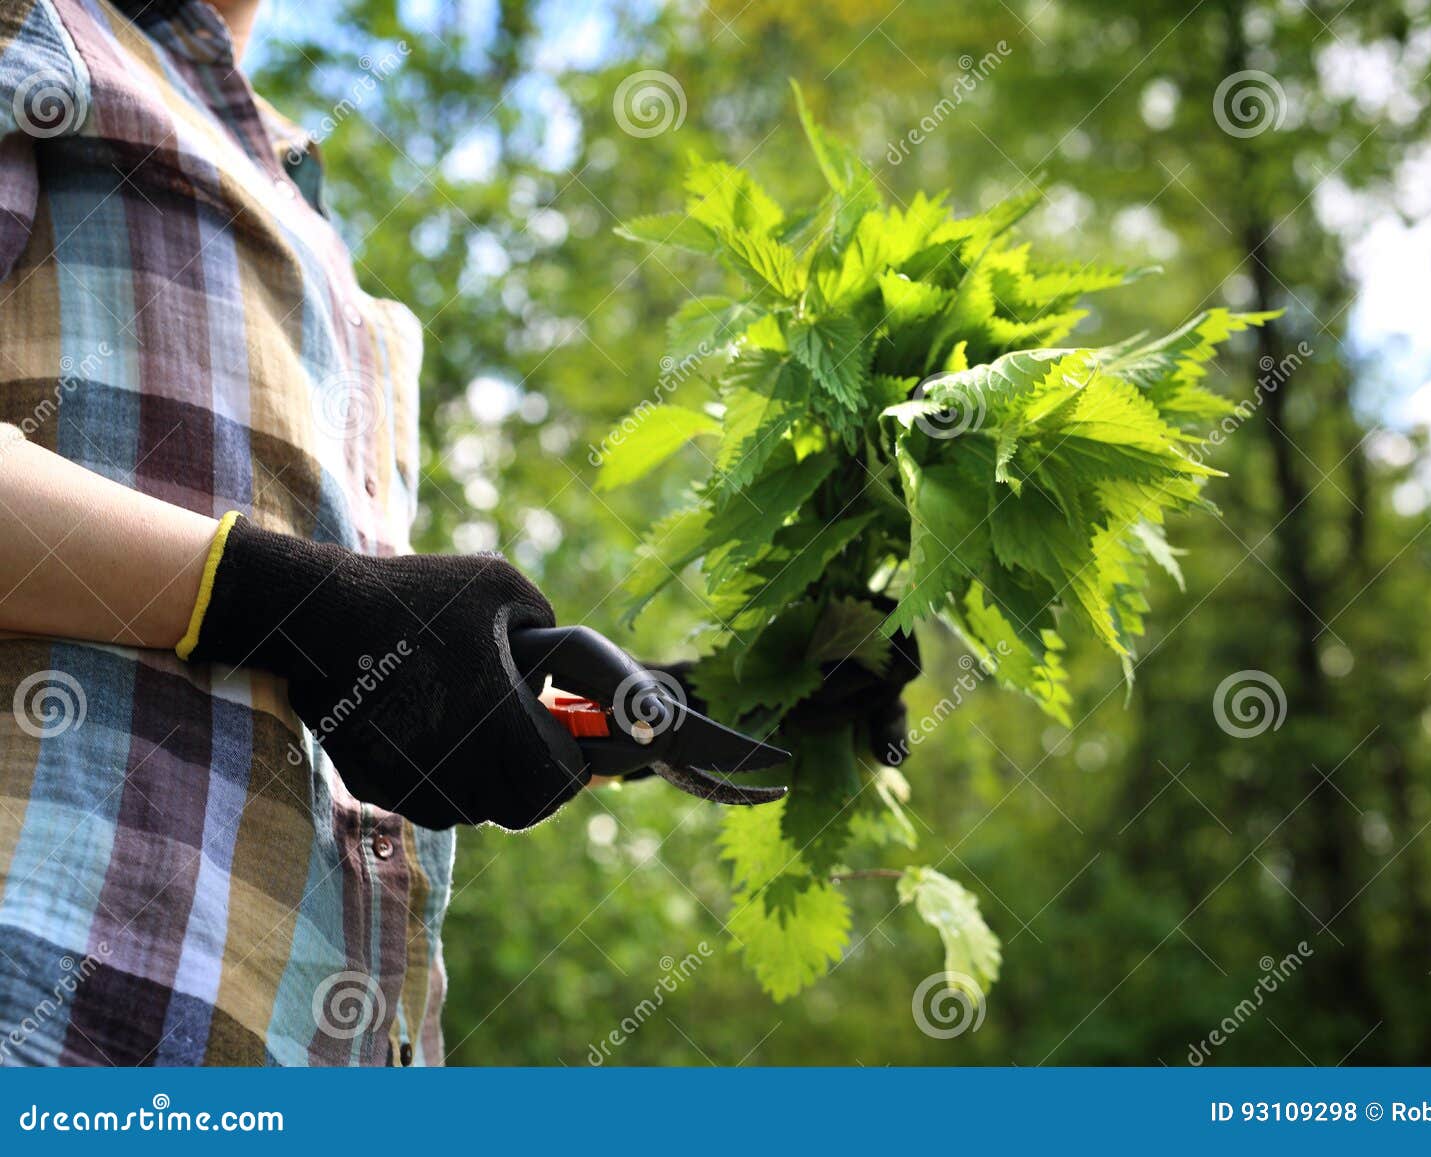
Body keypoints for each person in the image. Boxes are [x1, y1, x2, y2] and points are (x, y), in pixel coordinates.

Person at [0, 0, 910, 1066]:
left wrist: (663, 706)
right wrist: (291, 601)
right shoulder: (44, 32)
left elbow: (367, 689)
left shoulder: (314, 225)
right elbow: (318, 614)